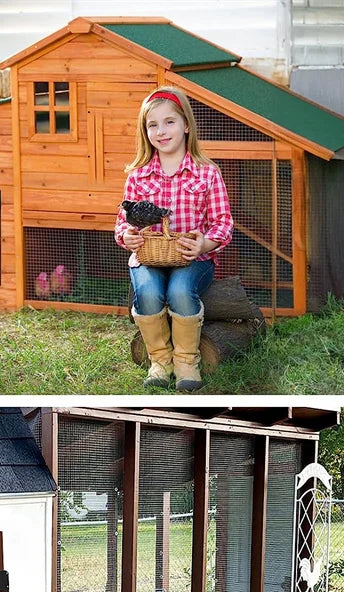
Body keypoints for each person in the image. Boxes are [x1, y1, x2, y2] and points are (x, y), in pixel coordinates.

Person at [115, 86, 233, 391]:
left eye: (169, 122)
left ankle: (186, 362)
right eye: (152, 125)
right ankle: (160, 361)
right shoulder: (138, 175)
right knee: (148, 291)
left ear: (186, 126)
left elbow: (223, 224)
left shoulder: (207, 173)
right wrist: (128, 237)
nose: (161, 131)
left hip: (194, 258)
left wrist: (204, 244)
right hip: (148, 257)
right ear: (145, 132)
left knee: (180, 290)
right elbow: (122, 225)